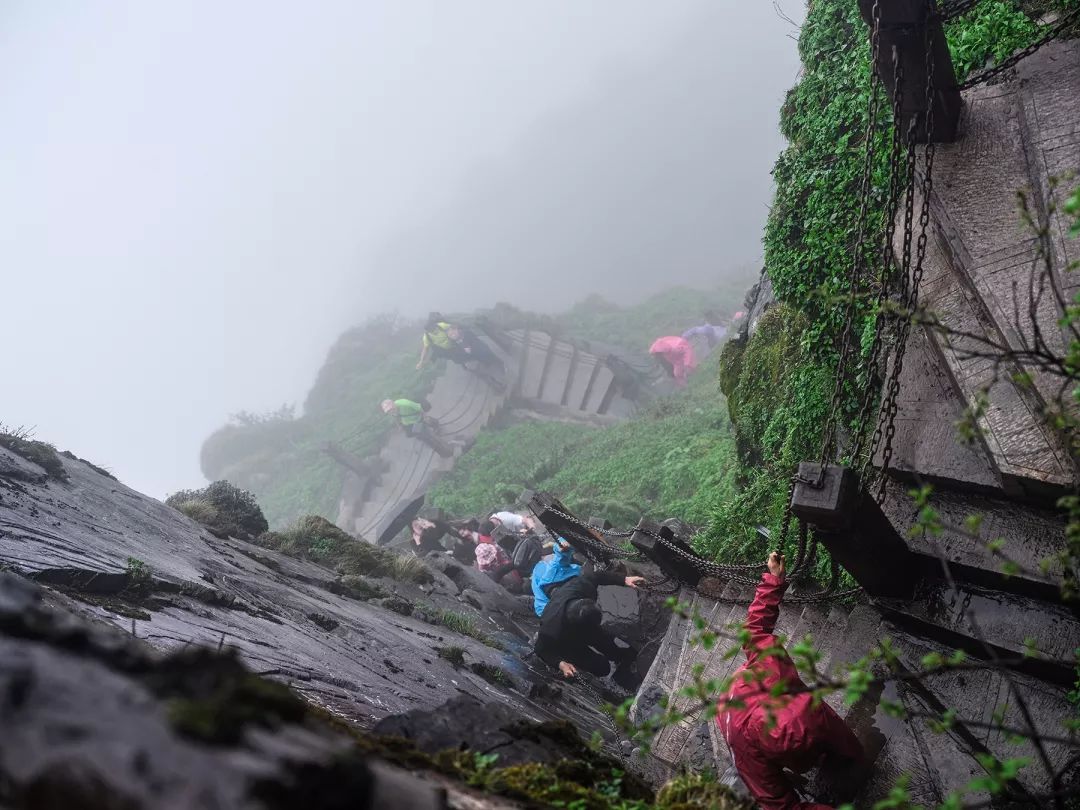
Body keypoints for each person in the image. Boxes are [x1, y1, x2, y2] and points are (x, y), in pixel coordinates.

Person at [717, 552, 863, 810]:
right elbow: (782, 806)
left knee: (833, 731)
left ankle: (848, 751)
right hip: (731, 711)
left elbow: (755, 630)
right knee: (823, 737)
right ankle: (831, 752)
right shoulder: (749, 756)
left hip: (754, 690)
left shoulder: (770, 667)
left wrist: (774, 580)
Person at [534, 566, 645, 678]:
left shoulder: (579, 587)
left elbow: (596, 576)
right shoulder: (552, 629)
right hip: (567, 640)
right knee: (602, 668)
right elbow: (540, 649)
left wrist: (624, 579)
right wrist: (560, 664)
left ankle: (620, 657)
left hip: (584, 624)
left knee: (607, 642)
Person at [380, 398, 456, 457]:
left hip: (417, 420)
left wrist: (425, 417)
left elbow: (419, 408)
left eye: (391, 409)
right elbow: (396, 417)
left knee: (427, 437)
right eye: (388, 411)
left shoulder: (405, 404)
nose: (390, 411)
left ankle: (445, 451)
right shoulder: (393, 412)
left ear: (393, 404)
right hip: (408, 423)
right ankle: (441, 448)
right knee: (419, 435)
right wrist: (399, 425)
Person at [530, 538, 581, 617]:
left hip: (548, 612)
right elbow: (560, 557)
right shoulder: (551, 567)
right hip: (564, 606)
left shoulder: (537, 570)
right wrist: (560, 545)